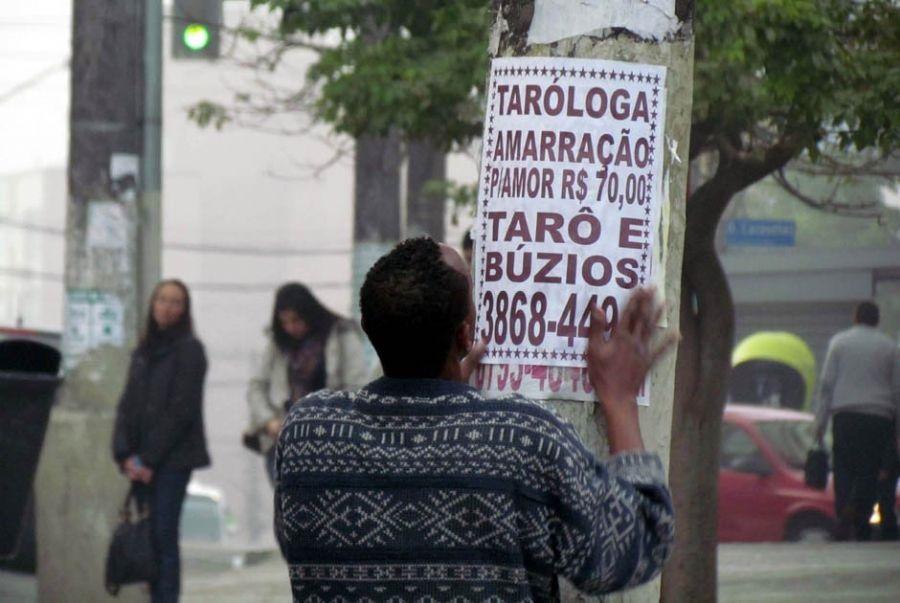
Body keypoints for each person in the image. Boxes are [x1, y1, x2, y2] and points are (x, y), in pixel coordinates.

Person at [274, 238, 676, 601]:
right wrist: (620, 400)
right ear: (466, 337)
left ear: (368, 329)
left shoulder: (307, 434)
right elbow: (638, 545)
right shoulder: (520, 439)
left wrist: (446, 395)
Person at [112, 279, 210, 603]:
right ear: (153, 305)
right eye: (162, 300)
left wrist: (148, 460)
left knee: (163, 535)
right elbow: (127, 405)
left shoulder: (190, 350)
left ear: (185, 310)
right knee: (147, 538)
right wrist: (125, 454)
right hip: (140, 461)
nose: (167, 307)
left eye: (176, 302)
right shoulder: (143, 351)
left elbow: (182, 411)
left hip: (172, 461)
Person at [246, 282, 369, 483]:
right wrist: (269, 421)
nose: (291, 328)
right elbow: (257, 386)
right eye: (284, 322)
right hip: (283, 440)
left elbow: (356, 387)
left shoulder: (341, 335)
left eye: (296, 320)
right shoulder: (277, 343)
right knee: (286, 505)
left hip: (330, 442)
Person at [814, 301, 900, 541]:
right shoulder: (889, 347)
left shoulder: (839, 343)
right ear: (877, 319)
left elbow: (826, 385)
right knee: (869, 472)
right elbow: (896, 390)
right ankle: (861, 520)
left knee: (843, 470)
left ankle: (844, 514)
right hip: (879, 418)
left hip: (845, 416)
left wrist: (820, 422)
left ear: (855, 317)